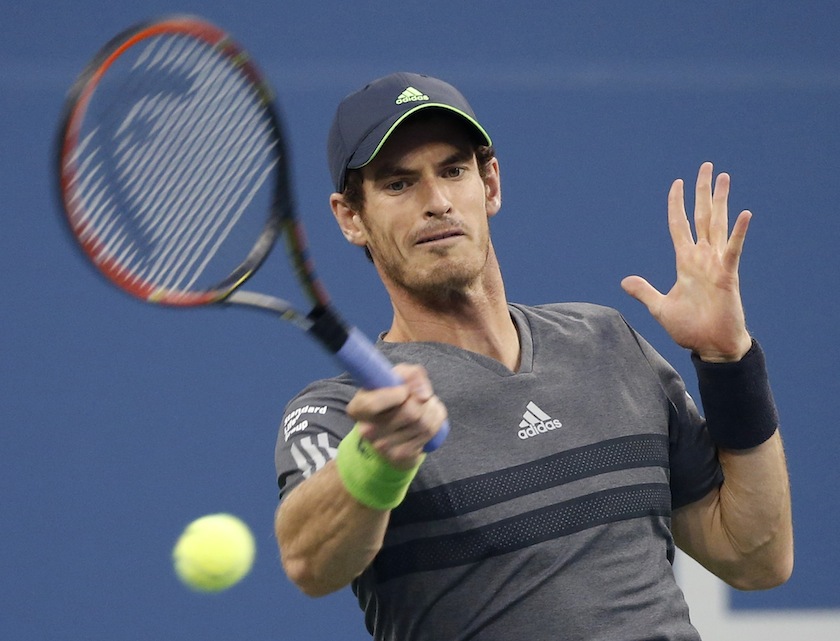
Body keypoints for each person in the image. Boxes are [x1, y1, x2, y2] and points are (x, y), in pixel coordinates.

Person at [273, 72, 793, 641]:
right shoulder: (345, 412)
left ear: (489, 183)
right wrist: (377, 457)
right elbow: (309, 562)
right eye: (399, 184)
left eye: (453, 170)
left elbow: (754, 555)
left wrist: (729, 362)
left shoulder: (607, 343)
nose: (438, 202)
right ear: (351, 217)